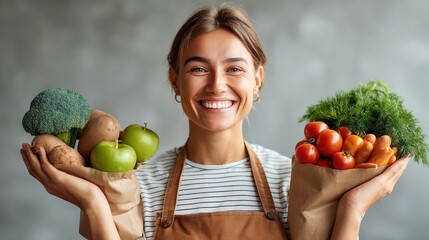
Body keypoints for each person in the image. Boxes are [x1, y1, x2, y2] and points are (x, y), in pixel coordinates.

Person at [20, 4, 410, 240]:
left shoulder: (292, 182)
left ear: (257, 80)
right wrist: (92, 200)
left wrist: (353, 207)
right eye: (198, 68)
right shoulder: (138, 186)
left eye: (235, 68)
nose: (217, 85)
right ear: (175, 79)